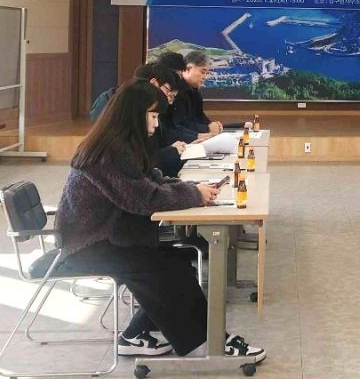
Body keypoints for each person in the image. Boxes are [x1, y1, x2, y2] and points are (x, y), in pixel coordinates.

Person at [54, 79, 265, 361]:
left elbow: (153, 181)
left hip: (110, 238)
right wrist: (193, 194)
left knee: (176, 263)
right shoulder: (109, 153)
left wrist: (194, 190)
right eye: (152, 116)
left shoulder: (121, 145)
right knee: (166, 269)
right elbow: (144, 199)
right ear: (133, 114)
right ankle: (208, 344)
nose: (156, 124)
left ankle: (140, 335)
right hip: (89, 246)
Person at [172, 51, 223, 135]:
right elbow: (178, 124)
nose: (205, 77)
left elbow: (199, 117)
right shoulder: (175, 91)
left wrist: (213, 125)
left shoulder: (195, 92)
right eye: (202, 72)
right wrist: (207, 128)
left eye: (207, 73)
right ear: (188, 69)